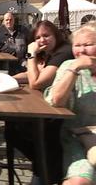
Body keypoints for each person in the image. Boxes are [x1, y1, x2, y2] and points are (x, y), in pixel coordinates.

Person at [7, 20, 74, 184]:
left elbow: (36, 82)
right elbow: (33, 74)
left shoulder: (64, 52)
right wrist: (8, 78)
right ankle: (42, 165)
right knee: (12, 128)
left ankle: (45, 169)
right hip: (53, 106)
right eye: (38, 37)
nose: (42, 40)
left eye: (46, 35)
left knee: (25, 130)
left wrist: (30, 54)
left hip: (65, 111)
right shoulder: (51, 52)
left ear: (56, 35)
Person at [45, 21, 96, 185]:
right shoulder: (69, 66)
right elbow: (56, 101)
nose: (81, 50)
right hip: (78, 139)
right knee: (79, 181)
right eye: (77, 45)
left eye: (88, 45)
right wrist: (75, 69)